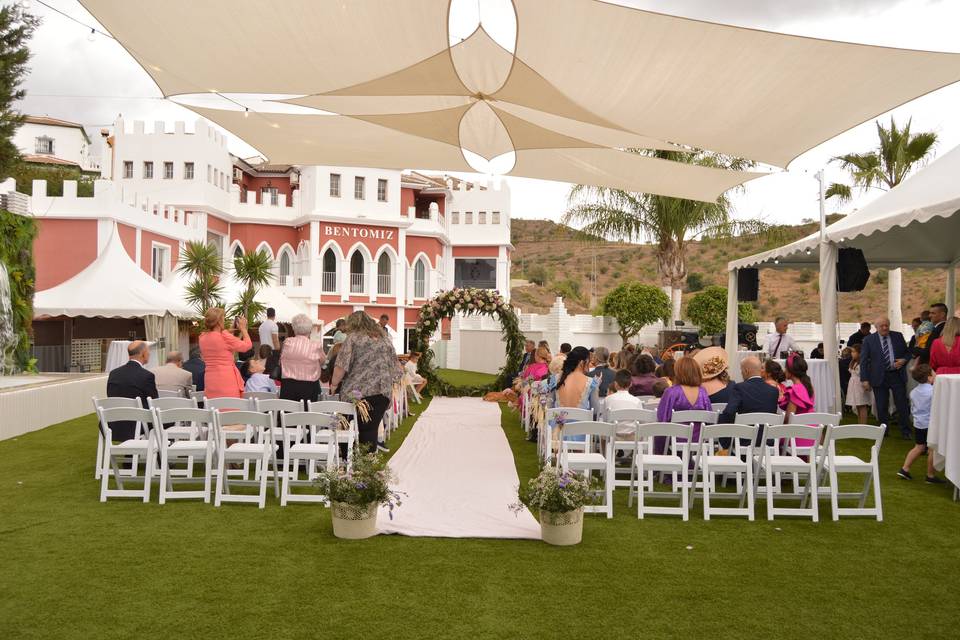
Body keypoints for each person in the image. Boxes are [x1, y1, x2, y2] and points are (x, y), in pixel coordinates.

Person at [330, 311, 401, 453]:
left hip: (357, 392)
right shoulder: (384, 339)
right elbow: (396, 368)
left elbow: (341, 365)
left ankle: (345, 458)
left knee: (345, 423)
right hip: (381, 391)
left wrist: (334, 384)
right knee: (370, 429)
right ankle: (367, 463)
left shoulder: (353, 338)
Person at [860, 316, 911, 439]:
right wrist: (865, 379)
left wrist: (904, 360)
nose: (884, 328)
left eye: (886, 325)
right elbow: (864, 361)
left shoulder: (897, 336)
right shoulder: (869, 340)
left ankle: (906, 431)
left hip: (896, 375)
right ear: (876, 327)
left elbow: (907, 352)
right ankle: (884, 431)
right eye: (881, 326)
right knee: (881, 405)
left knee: (902, 404)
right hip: (878, 376)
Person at [897, 364, 945, 484]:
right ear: (929, 378)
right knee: (932, 449)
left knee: (919, 447)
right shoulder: (934, 391)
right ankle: (930, 475)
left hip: (918, 423)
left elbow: (913, 408)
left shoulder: (913, 392)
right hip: (930, 424)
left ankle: (905, 468)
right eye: (934, 373)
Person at [718, 356, 779, 449]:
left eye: (741, 370)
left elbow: (729, 412)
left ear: (746, 371)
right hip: (766, 440)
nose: (741, 373)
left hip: (743, 440)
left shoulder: (739, 388)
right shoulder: (773, 391)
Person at [106, 341, 159, 441]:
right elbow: (153, 402)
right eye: (148, 351)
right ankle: (160, 453)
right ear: (143, 353)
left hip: (113, 424)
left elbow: (110, 396)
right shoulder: (146, 376)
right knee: (165, 419)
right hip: (137, 425)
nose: (149, 354)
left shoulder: (114, 373)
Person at [199, 308, 252, 399]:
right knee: (229, 408)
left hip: (210, 379)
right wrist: (243, 329)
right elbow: (247, 346)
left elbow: (220, 341)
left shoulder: (202, 337)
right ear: (219, 321)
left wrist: (231, 329)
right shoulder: (224, 336)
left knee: (214, 407)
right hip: (226, 379)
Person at [656, 356, 711, 442]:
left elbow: (662, 418)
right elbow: (709, 418)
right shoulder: (703, 392)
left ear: (678, 372)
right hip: (698, 441)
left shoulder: (671, 392)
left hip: (675, 440)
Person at [279, 313, 327, 404]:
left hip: (288, 386)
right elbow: (323, 361)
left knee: (288, 415)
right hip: (309, 387)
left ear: (293, 328)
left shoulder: (287, 342)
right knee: (307, 415)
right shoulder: (316, 345)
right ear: (310, 329)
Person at [780, 354, 817, 448]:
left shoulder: (796, 390)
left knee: (772, 437)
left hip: (797, 435)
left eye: (786, 368)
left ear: (791, 371)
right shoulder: (809, 386)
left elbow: (789, 418)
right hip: (812, 433)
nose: (784, 371)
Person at [845, 344, 872, 424]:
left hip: (860, 385)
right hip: (853, 385)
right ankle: (859, 423)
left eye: (854, 352)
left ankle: (863, 424)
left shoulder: (863, 363)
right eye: (852, 352)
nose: (852, 353)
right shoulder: (853, 362)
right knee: (857, 405)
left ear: (860, 353)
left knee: (862, 405)